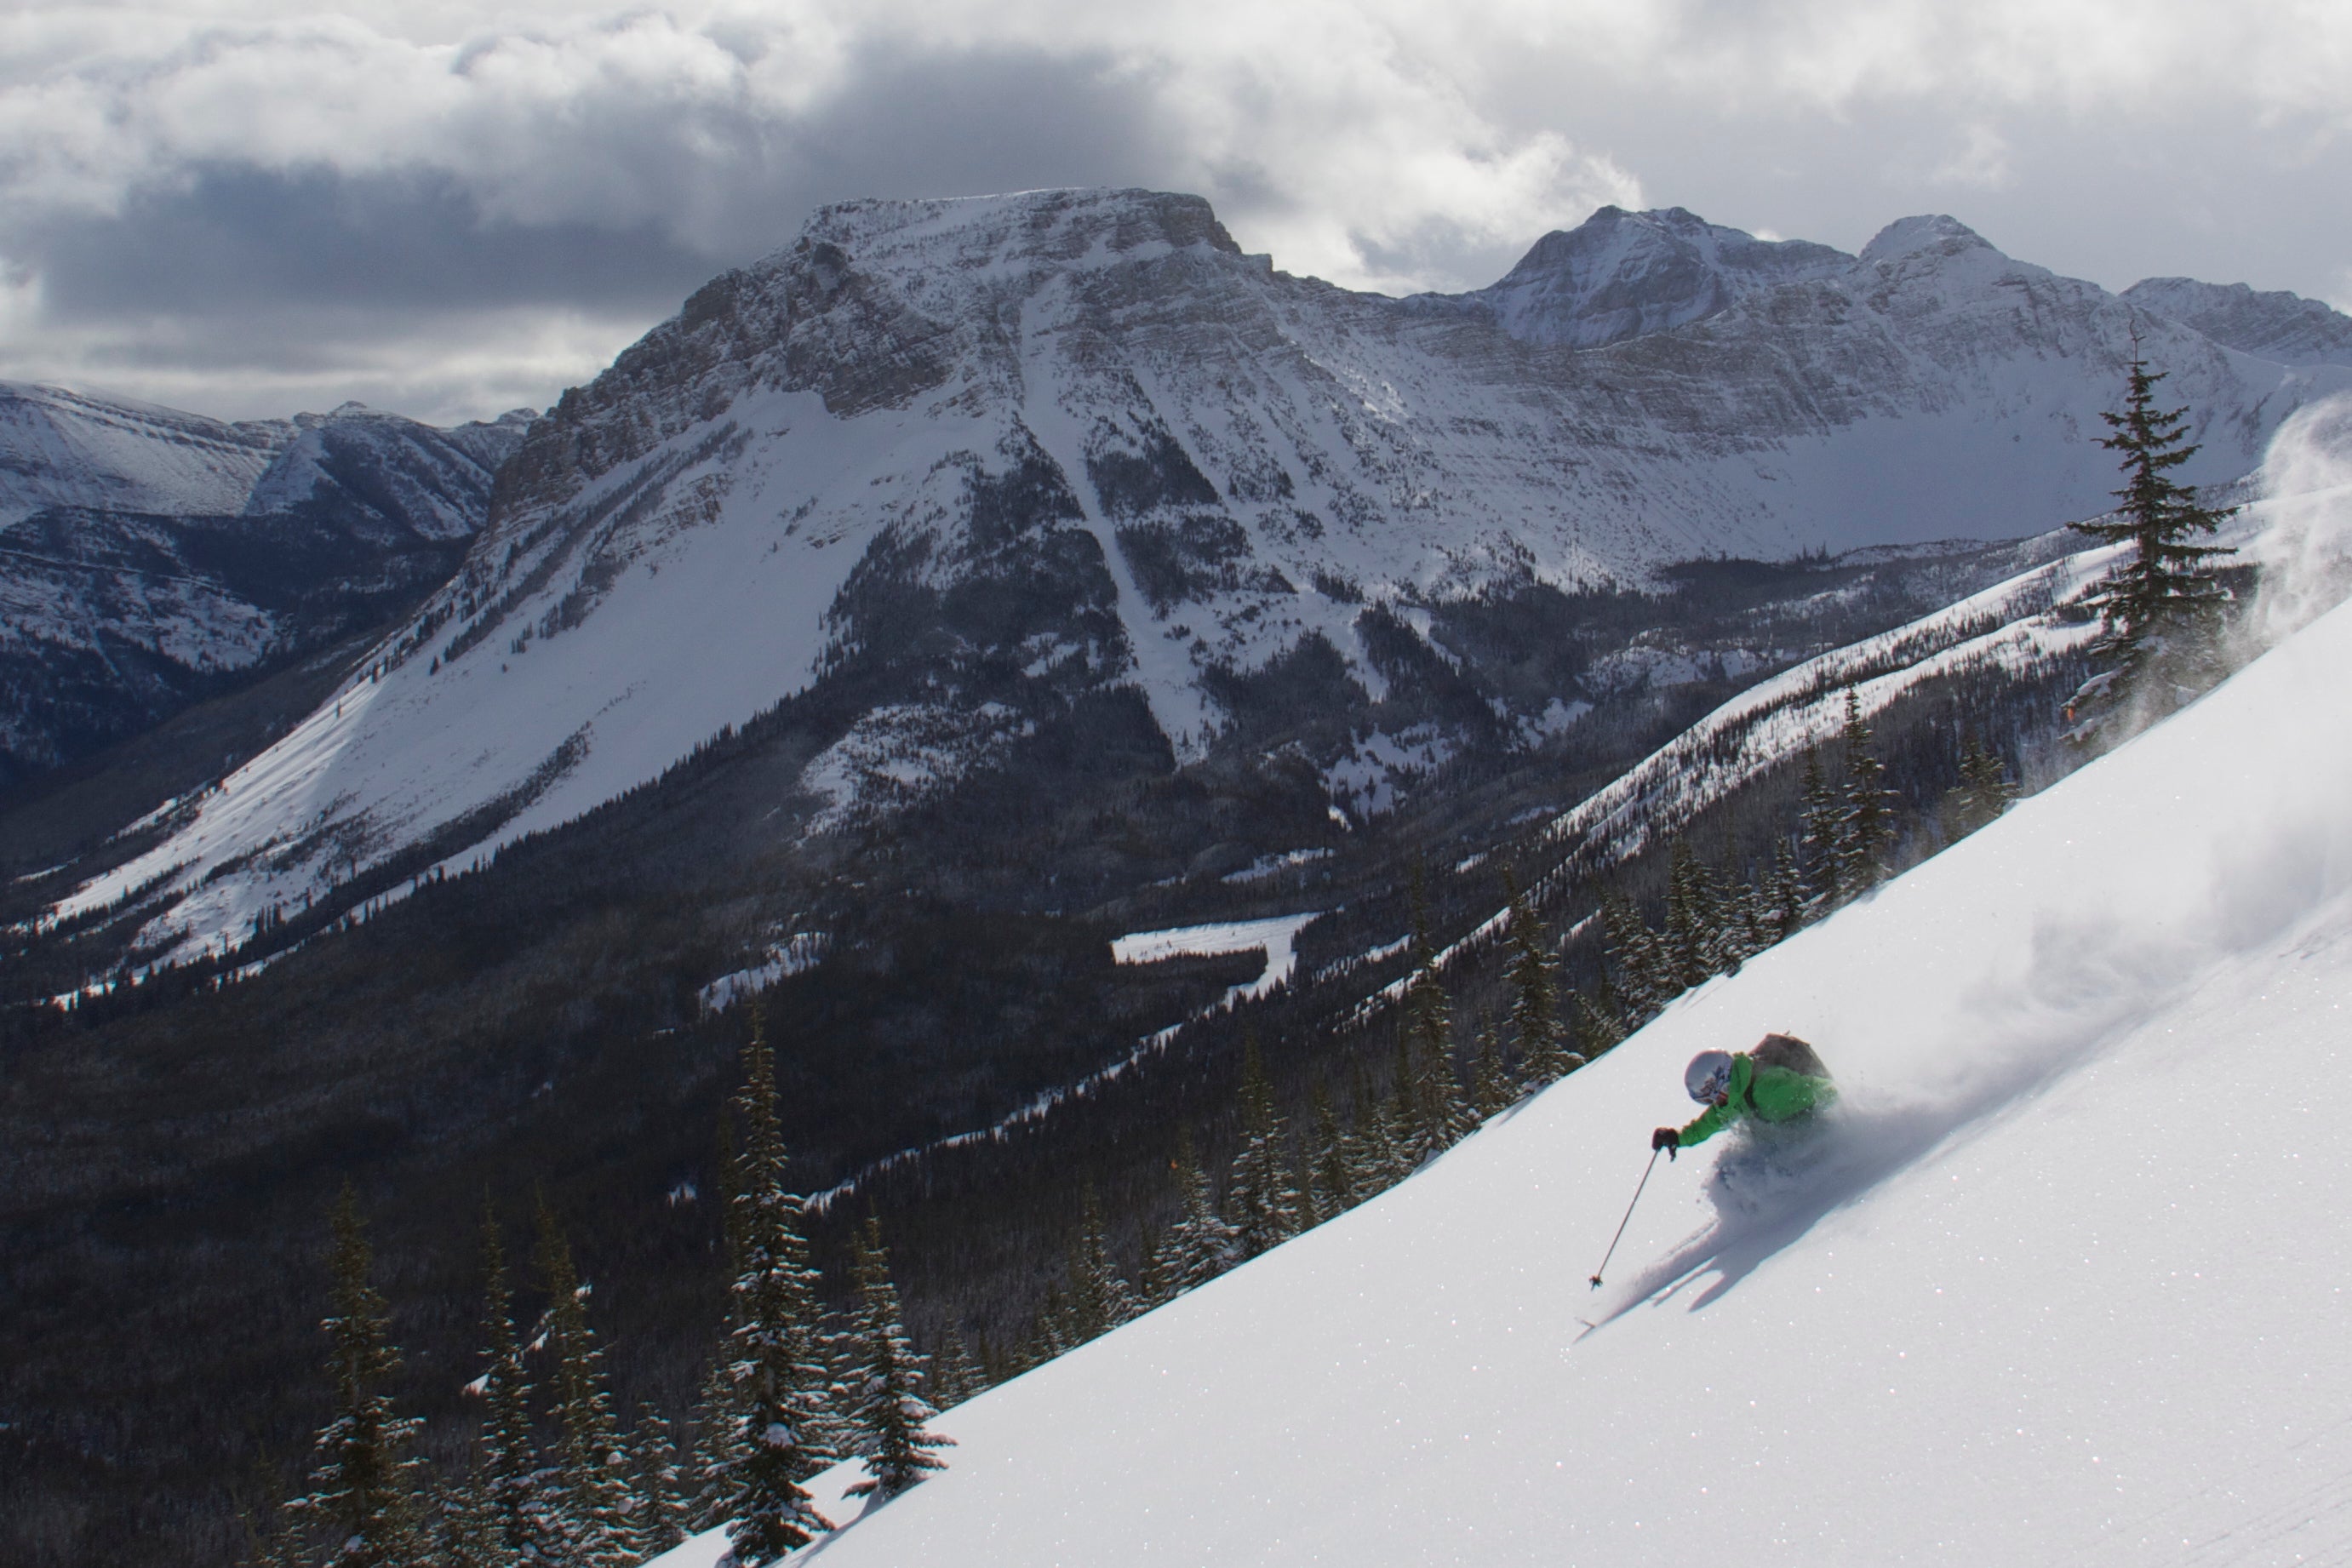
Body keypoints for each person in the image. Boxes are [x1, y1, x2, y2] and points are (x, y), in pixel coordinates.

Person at [1651, 1033, 1835, 1155]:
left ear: (1723, 1083)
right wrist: (1677, 1137)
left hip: (1821, 1134)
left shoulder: (1768, 1090)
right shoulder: (1735, 1097)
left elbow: (1827, 1091)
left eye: (1712, 1097)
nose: (1714, 1103)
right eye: (1707, 1101)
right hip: (1793, 1138)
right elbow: (1709, 1122)